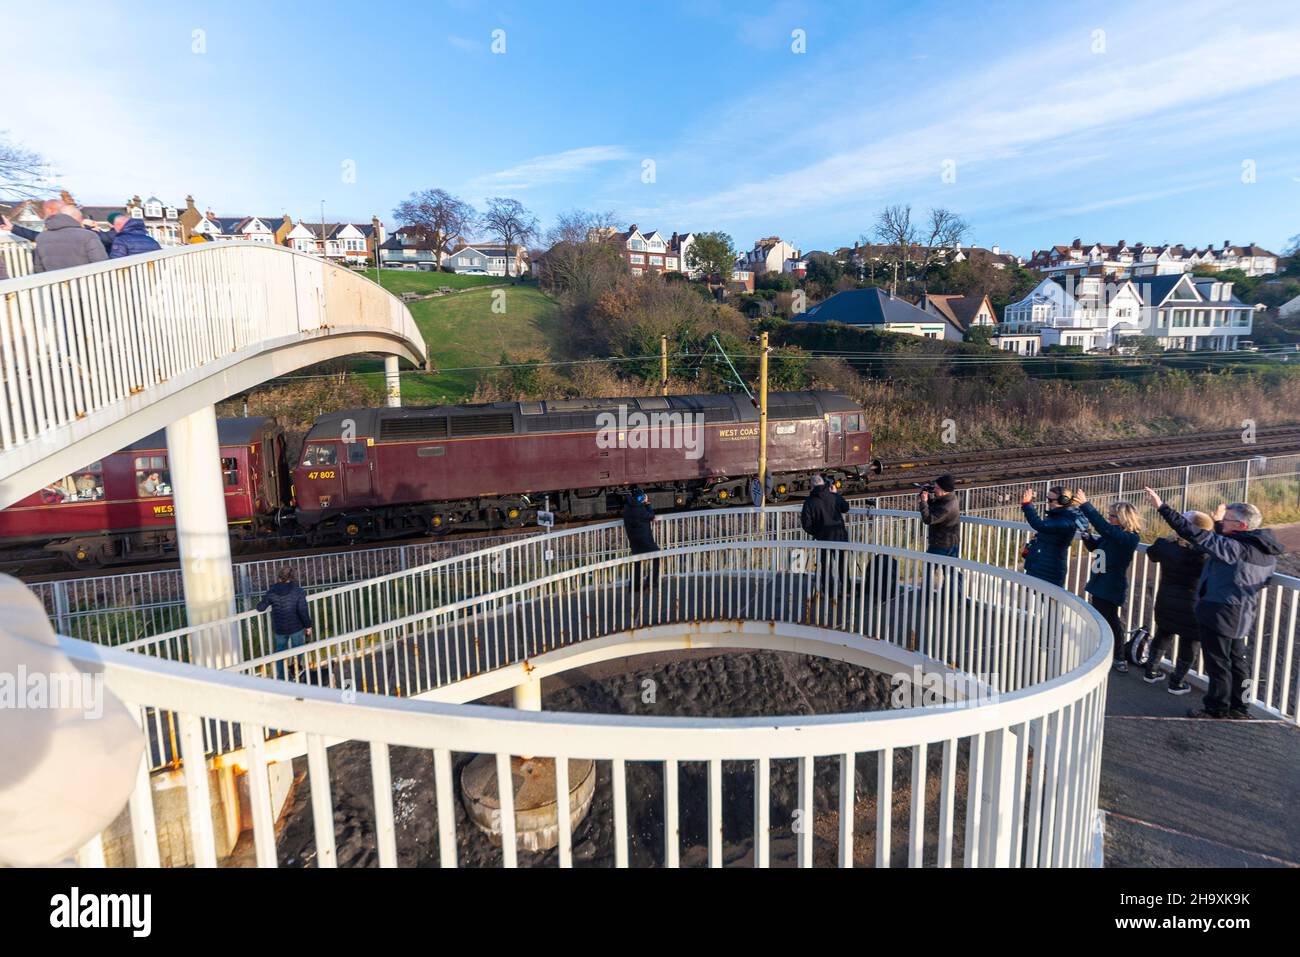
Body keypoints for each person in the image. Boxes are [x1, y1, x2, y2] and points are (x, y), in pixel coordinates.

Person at [1145, 487, 1282, 719]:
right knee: (1238, 661)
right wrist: (1219, 522)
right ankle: (1240, 708)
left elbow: (1197, 535)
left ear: (1240, 526)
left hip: (1219, 612)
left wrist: (1163, 508)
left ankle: (1216, 709)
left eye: (1226, 520)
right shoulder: (1263, 549)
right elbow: (1221, 542)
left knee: (1218, 663)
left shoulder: (1236, 548)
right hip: (1243, 613)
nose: (1221, 523)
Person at [1144, 510, 1214, 693]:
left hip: (1166, 598)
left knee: (1163, 633)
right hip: (1194, 604)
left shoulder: (1166, 546)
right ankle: (1177, 682)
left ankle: (1150, 670)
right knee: (1190, 642)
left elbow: (1152, 554)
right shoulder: (1206, 553)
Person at [1074, 490, 1143, 672]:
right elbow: (1097, 548)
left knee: (1109, 621)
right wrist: (1088, 538)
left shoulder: (1129, 538)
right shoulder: (1114, 535)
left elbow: (1105, 528)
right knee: (1106, 619)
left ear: (1123, 518)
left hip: (1110, 585)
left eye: (1112, 516)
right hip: (1101, 582)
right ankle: (1113, 655)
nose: (1109, 518)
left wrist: (1086, 505)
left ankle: (1117, 657)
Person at [255, 567, 315, 680]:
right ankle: (294, 669)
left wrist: (262, 601)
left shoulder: (272, 590)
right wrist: (308, 626)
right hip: (296, 627)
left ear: (279, 577)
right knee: (298, 648)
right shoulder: (298, 591)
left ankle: (282, 677)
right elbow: (303, 611)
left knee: (280, 651)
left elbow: (261, 607)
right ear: (292, 577)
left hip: (280, 628)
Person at [1019, 486, 1084, 587]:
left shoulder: (1067, 520)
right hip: (1040, 564)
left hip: (1051, 569)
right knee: (1036, 599)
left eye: (1050, 500)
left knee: (1048, 601)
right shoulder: (1057, 515)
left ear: (1063, 501)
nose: (1048, 503)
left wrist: (1027, 505)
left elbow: (1040, 525)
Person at [801, 474, 850, 591]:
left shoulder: (809, 502)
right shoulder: (833, 497)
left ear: (811, 486)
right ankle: (847, 589)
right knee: (842, 564)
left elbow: (806, 525)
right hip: (839, 535)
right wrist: (836, 493)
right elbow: (846, 507)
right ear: (824, 484)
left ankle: (828, 590)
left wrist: (817, 533)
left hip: (822, 538)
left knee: (825, 565)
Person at [31, 201, 107, 273]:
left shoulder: (41, 237)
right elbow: (101, 263)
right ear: (76, 218)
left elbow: (39, 267)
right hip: (85, 283)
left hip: (55, 284)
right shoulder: (88, 235)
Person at [621, 488, 660, 594]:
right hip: (646, 541)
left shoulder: (627, 508)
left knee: (636, 563)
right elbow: (651, 516)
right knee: (656, 556)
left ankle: (634, 587)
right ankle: (652, 582)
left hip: (634, 541)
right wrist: (647, 503)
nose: (641, 499)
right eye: (641, 498)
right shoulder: (640, 509)